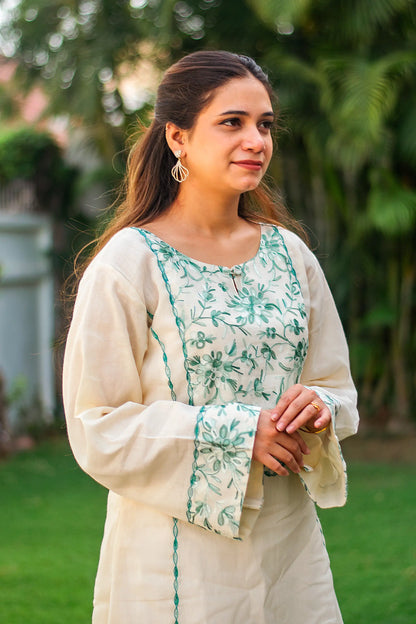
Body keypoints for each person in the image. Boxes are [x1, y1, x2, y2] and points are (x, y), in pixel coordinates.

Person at [63, 50, 359, 624]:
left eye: (265, 124)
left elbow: (337, 388)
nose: (256, 140)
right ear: (177, 137)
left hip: (288, 551)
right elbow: (96, 425)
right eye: (233, 122)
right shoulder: (130, 263)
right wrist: (241, 431)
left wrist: (318, 405)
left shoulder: (289, 255)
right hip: (173, 561)